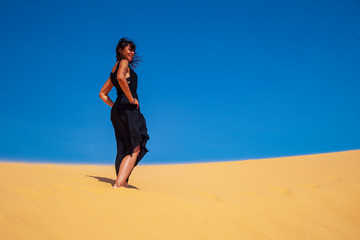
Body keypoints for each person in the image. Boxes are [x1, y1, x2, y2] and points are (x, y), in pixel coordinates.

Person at [99, 37, 149, 188]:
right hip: (129, 109)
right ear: (120, 51)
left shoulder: (114, 68)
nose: (132, 52)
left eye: (133, 49)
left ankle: (123, 181)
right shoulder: (123, 63)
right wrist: (131, 99)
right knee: (136, 146)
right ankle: (119, 184)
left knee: (123, 147)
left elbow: (102, 94)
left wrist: (116, 107)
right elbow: (121, 78)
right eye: (129, 49)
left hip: (118, 111)